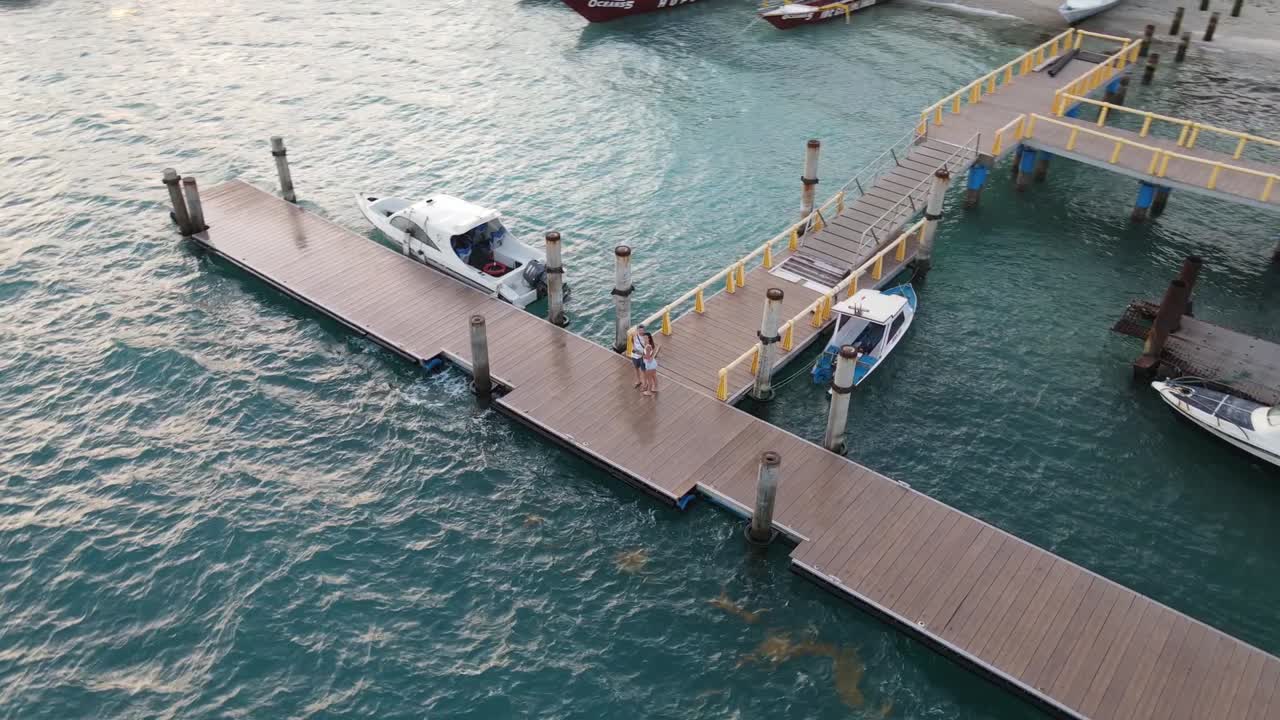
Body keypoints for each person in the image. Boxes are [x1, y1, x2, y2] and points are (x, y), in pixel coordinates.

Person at [630, 324, 649, 389]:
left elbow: (647, 348)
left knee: (643, 370)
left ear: (644, 330)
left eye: (642, 330)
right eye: (639, 330)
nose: (641, 332)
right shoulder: (634, 335)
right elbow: (632, 340)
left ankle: (645, 384)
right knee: (636, 368)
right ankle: (638, 381)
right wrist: (633, 347)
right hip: (634, 356)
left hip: (642, 357)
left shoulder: (645, 338)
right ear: (637, 330)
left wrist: (641, 353)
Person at [642, 331, 660, 396]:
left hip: (649, 365)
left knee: (649, 378)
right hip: (653, 363)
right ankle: (656, 387)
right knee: (654, 376)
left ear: (649, 338)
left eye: (645, 338)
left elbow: (647, 357)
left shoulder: (647, 347)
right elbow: (657, 348)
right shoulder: (651, 345)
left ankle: (649, 391)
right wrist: (652, 356)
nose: (644, 339)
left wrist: (640, 354)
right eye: (644, 338)